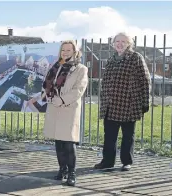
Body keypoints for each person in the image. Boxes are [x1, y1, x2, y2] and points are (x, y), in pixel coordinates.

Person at [26, 40, 89, 186]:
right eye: (63, 50)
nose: (65, 52)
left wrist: (62, 99)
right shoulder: (55, 67)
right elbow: (47, 85)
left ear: (75, 51)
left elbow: (79, 89)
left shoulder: (81, 69)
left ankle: (72, 173)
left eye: (68, 50)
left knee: (68, 141)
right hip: (53, 106)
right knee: (58, 142)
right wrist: (44, 96)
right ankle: (62, 170)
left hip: (69, 107)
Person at [94, 32, 151, 171]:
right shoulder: (111, 60)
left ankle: (127, 161)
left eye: (123, 42)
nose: (120, 44)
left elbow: (145, 80)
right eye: (117, 41)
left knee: (128, 136)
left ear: (129, 44)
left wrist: (145, 102)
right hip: (110, 104)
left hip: (129, 104)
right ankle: (107, 161)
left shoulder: (136, 57)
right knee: (109, 136)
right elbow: (106, 82)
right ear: (113, 44)